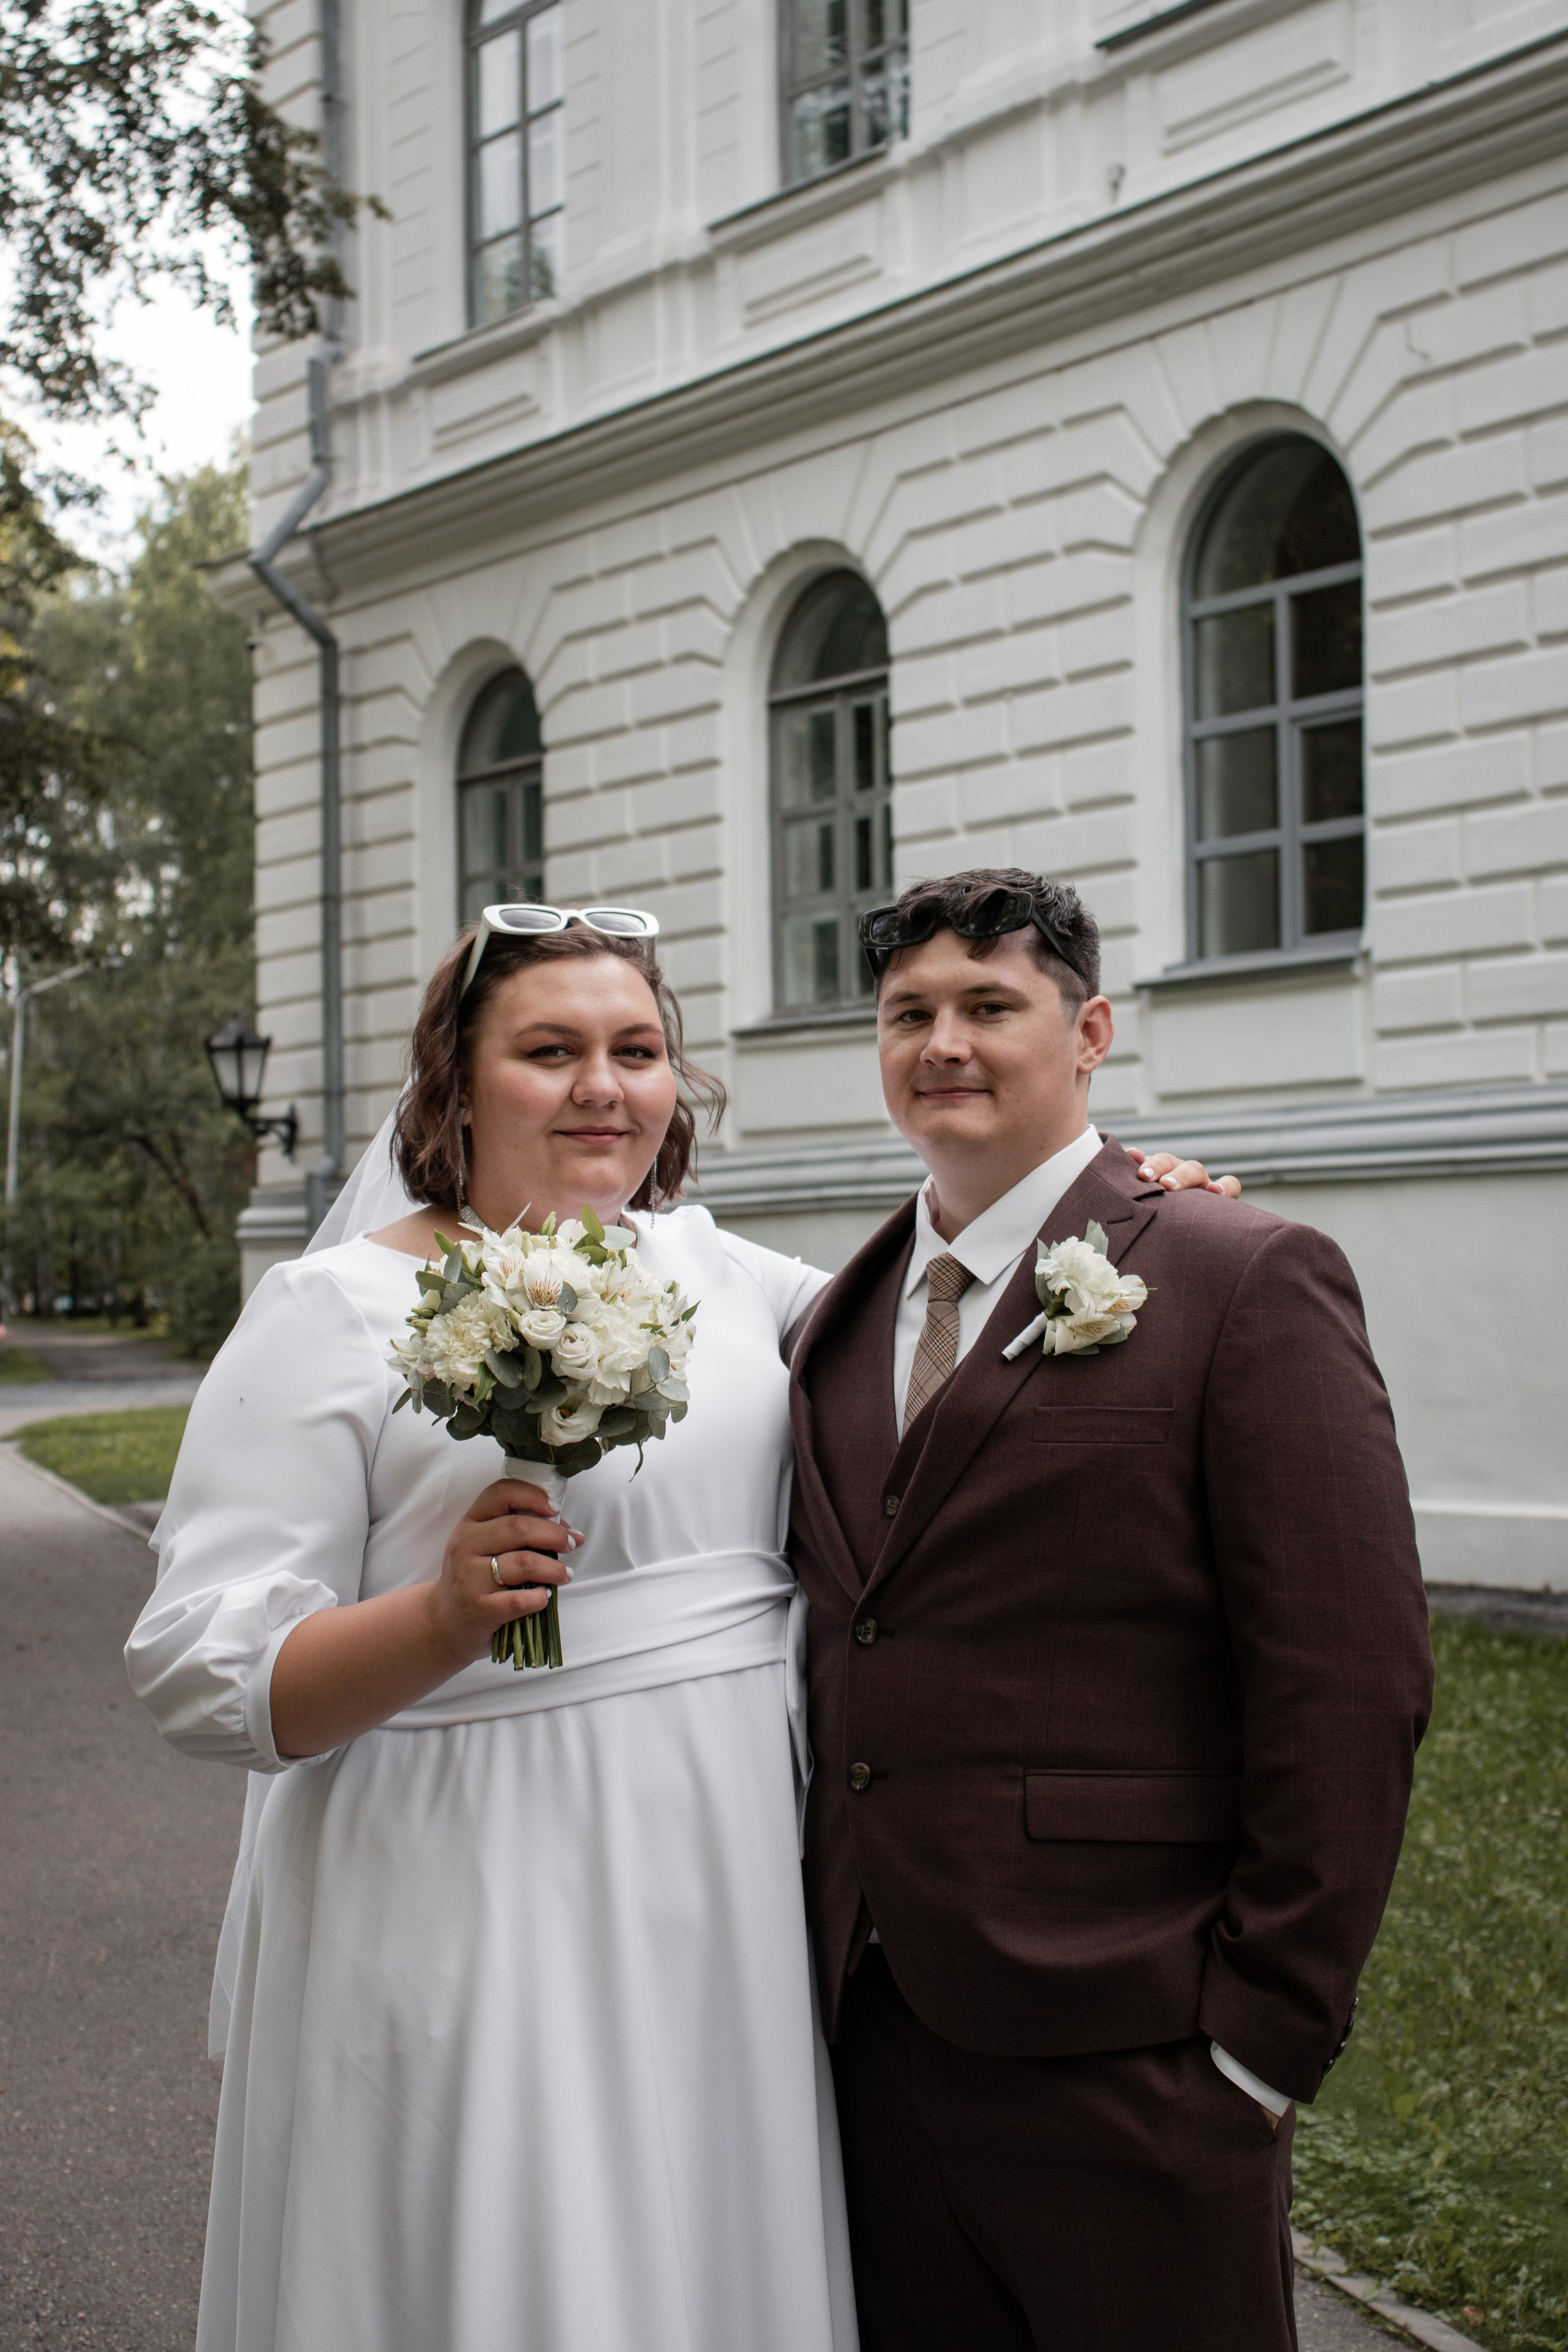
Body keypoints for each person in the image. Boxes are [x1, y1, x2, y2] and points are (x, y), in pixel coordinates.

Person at [126, 903, 1229, 2352]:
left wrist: (1128, 1207)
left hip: (726, 1888)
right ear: (455, 1085)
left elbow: (961, 1330)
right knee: (513, 2258)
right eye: (549, 1051)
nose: (602, 1086)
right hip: (462, 1884)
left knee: (703, 2260)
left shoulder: (735, 1282)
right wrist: (442, 1617)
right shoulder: (330, 1310)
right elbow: (202, 1676)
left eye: (636, 1051)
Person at [785, 868, 1436, 2352]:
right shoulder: (830, 1317)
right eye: (906, 1014)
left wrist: (1258, 2043)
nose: (942, 1043)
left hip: (1135, 2042)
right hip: (866, 2039)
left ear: (1089, 1034)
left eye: (987, 1006)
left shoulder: (1237, 1274)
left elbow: (1348, 1683)